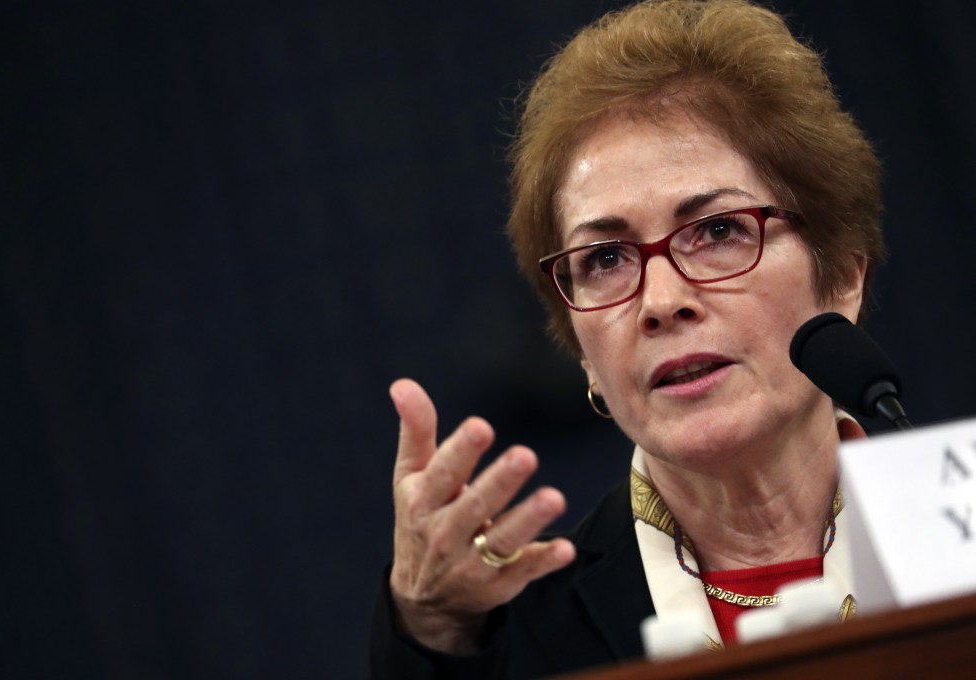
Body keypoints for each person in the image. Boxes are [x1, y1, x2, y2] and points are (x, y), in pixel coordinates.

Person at [370, 0, 884, 677]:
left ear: (841, 277)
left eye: (719, 230)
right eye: (606, 259)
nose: (662, 303)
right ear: (582, 351)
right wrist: (432, 623)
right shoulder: (524, 641)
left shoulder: (952, 534)